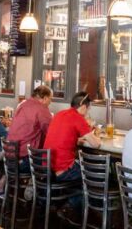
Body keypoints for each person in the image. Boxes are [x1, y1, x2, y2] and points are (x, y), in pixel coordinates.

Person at [43, 92, 102, 225]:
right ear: (83, 107)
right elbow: (96, 144)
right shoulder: (78, 118)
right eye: (88, 108)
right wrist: (95, 136)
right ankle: (76, 210)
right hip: (63, 169)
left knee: (80, 176)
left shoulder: (60, 114)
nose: (88, 111)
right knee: (93, 175)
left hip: (48, 167)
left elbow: (62, 136)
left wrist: (78, 139)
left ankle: (74, 211)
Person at [6, 85, 53, 173]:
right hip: (24, 160)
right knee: (53, 163)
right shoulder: (41, 108)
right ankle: (42, 186)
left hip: (9, 157)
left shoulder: (23, 104)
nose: (51, 102)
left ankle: (5, 182)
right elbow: (51, 132)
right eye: (51, 99)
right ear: (45, 98)